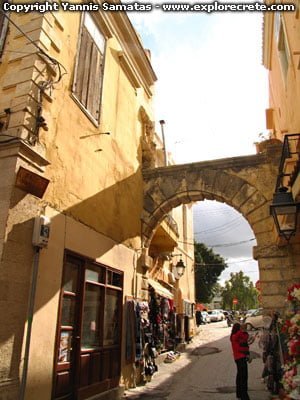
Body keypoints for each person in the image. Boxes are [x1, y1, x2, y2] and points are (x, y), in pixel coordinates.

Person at [230, 322, 256, 400]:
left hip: (238, 358)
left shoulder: (234, 336)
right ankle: (244, 396)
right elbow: (244, 336)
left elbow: (245, 339)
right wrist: (243, 328)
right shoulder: (236, 336)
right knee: (243, 377)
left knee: (240, 376)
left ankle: (239, 394)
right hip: (240, 358)